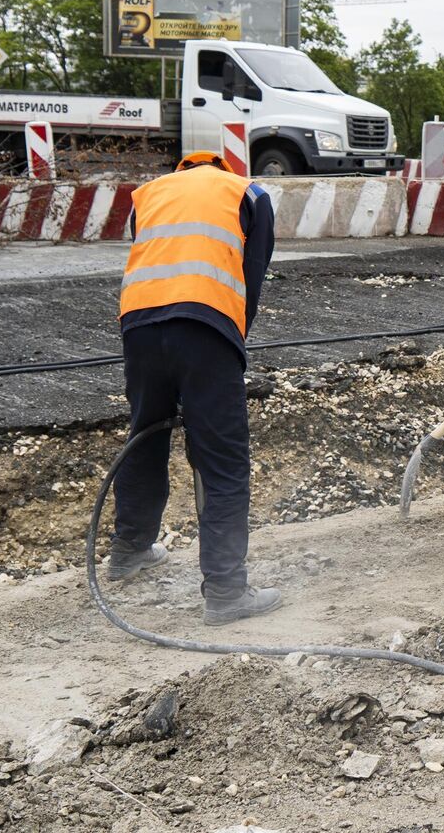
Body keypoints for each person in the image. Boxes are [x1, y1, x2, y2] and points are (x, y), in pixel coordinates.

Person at [111, 150, 282, 625]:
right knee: (222, 458)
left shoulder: (147, 195)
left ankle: (129, 551)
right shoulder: (248, 192)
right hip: (206, 326)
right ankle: (227, 592)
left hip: (139, 326)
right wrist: (231, 343)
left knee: (146, 435)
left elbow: (150, 256)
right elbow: (252, 276)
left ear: (181, 171)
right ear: (225, 170)